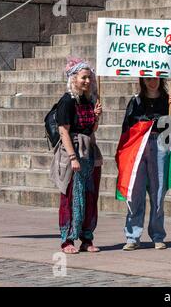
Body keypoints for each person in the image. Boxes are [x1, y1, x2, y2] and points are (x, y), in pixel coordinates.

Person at [50, 58, 103, 254]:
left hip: (89, 151)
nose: (87, 81)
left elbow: (92, 128)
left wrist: (96, 116)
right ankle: (67, 240)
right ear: (73, 79)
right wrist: (73, 158)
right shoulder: (67, 101)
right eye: (83, 78)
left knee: (90, 195)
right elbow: (64, 132)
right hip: (72, 151)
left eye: (89, 77)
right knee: (71, 196)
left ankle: (87, 238)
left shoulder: (89, 100)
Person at [120, 77, 171, 251]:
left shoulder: (168, 100)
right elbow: (127, 127)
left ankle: (158, 235)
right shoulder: (135, 101)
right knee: (135, 192)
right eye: (148, 78)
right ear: (142, 81)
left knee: (158, 192)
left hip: (159, 145)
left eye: (156, 78)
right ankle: (133, 236)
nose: (152, 82)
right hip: (138, 146)